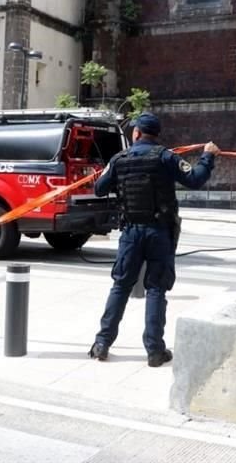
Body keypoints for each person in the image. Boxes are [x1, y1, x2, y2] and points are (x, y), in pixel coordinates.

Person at [89, 112, 219, 367]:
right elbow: (195, 179)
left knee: (121, 286)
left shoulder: (119, 159)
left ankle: (102, 344)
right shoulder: (165, 157)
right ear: (156, 134)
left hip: (130, 233)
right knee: (156, 289)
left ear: (136, 133)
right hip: (159, 232)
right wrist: (208, 155)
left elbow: (99, 188)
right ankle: (155, 351)